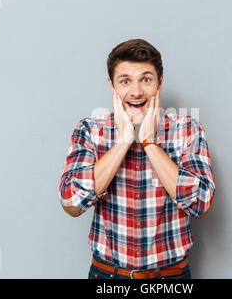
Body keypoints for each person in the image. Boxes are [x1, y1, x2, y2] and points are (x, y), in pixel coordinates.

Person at [58, 38, 215, 279]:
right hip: (108, 276)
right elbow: (71, 202)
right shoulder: (90, 130)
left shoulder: (187, 130)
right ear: (112, 86)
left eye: (146, 79)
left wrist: (148, 142)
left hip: (170, 277)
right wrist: (123, 141)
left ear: (159, 83)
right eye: (125, 81)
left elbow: (201, 204)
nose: (136, 92)